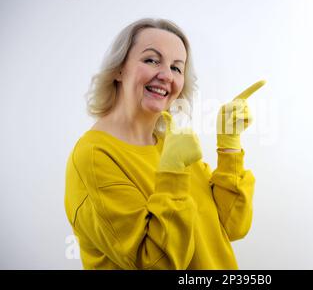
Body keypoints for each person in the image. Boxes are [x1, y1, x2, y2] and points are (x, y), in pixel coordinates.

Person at [64, 18, 264, 269]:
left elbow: (231, 226)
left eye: (177, 68)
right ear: (119, 69)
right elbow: (156, 263)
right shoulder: (94, 157)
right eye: (151, 60)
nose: (166, 75)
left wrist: (229, 145)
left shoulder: (170, 144)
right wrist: (171, 173)